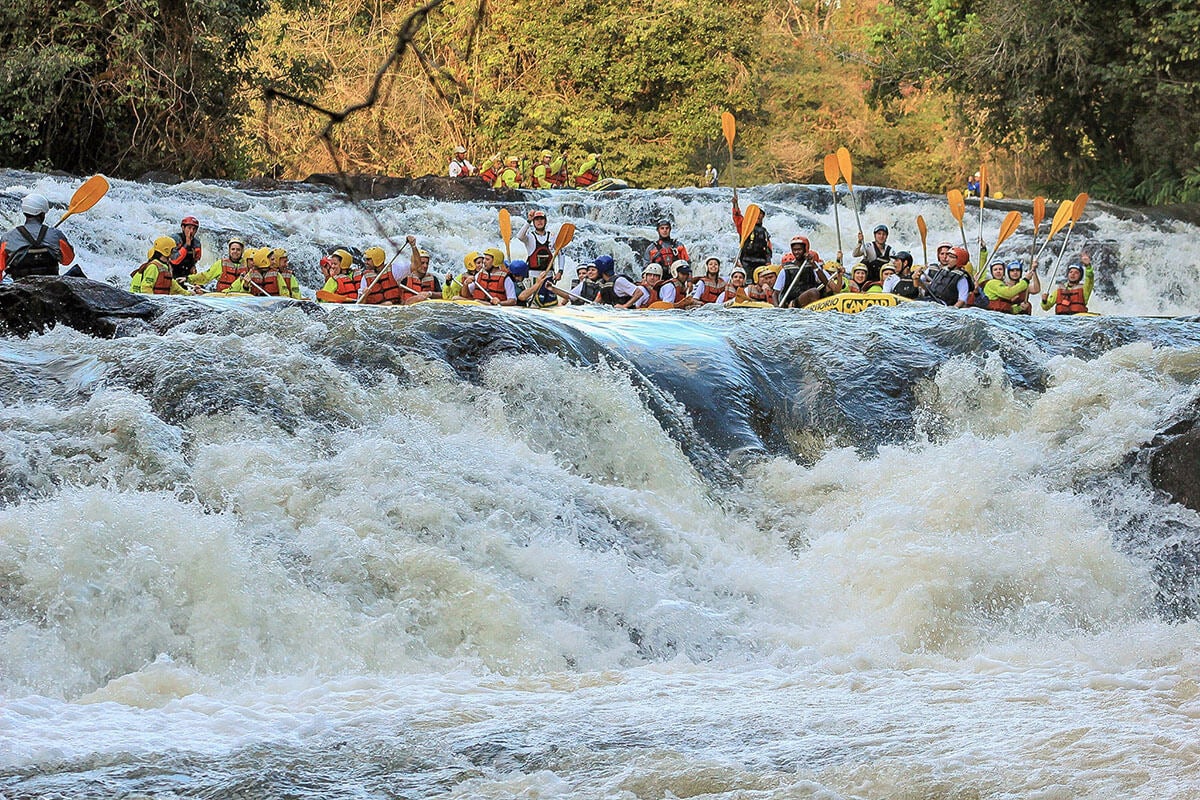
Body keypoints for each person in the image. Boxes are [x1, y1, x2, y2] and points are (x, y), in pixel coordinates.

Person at [0, 193, 76, 280]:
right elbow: (67, 260)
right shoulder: (56, 235)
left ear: (25, 213)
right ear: (42, 214)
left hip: (20, 286)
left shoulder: (7, 238)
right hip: (50, 285)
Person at [774, 237, 840, 308]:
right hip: (793, 302)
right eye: (794, 250)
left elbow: (825, 282)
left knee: (825, 289)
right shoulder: (785, 269)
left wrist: (813, 264)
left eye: (799, 250)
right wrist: (777, 307)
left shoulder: (813, 265)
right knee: (813, 292)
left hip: (810, 298)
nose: (796, 252)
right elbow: (775, 293)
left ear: (806, 250)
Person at [516, 210, 560, 276]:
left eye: (541, 219)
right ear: (533, 222)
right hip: (533, 276)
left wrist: (560, 271)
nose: (539, 221)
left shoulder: (552, 236)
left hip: (548, 275)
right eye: (536, 219)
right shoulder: (530, 237)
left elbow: (560, 253)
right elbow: (519, 236)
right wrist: (529, 221)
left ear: (545, 221)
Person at [399, 240, 441, 304]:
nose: (425, 266)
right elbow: (400, 302)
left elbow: (441, 295)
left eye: (427, 263)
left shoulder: (433, 278)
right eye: (422, 263)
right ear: (416, 263)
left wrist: (430, 293)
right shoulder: (405, 279)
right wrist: (416, 299)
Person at [736, 207, 772, 276]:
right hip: (746, 261)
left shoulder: (764, 231)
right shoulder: (745, 228)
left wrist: (768, 261)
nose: (759, 218)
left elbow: (768, 247)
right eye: (757, 216)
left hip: (761, 262)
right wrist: (735, 205)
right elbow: (737, 217)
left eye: (761, 217)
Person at [168, 215, 203, 279]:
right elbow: (174, 260)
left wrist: (193, 266)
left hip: (186, 274)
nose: (191, 231)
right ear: (183, 228)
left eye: (194, 229)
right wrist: (187, 245)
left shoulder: (197, 243)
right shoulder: (175, 239)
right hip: (172, 272)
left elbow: (196, 259)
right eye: (189, 228)